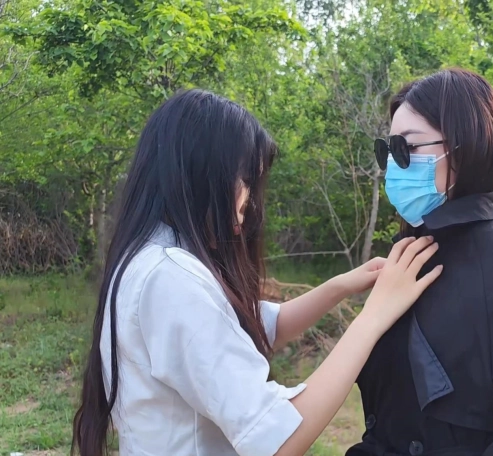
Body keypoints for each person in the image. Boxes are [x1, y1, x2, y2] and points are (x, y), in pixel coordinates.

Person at [71, 89, 443, 456]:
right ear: (204, 175)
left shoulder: (148, 260)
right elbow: (277, 441)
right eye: (247, 180)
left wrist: (339, 287)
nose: (249, 201)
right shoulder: (171, 280)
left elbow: (255, 327)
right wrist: (374, 316)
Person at [347, 68, 493, 456]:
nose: (393, 166)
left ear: (465, 147)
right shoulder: (406, 259)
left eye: (408, 148)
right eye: (388, 150)